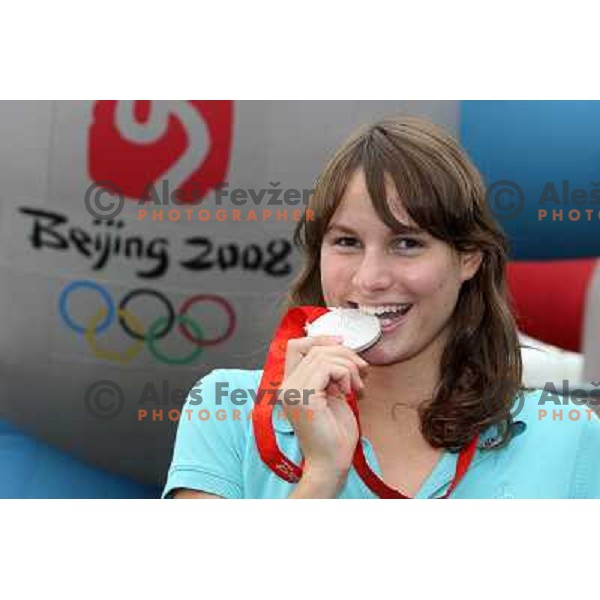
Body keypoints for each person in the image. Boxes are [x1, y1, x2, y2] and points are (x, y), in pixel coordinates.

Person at [162, 115, 600, 499]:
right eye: (347, 242)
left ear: (468, 258)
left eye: (407, 243)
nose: (370, 278)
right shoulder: (227, 411)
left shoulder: (567, 436)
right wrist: (320, 477)